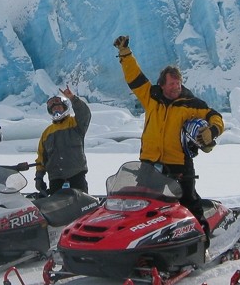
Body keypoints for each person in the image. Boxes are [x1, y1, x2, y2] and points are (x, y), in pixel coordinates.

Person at [113, 35, 222, 235]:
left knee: (188, 203)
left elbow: (214, 116)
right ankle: (141, 240)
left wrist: (212, 131)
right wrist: (125, 53)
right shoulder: (151, 97)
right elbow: (134, 76)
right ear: (162, 85)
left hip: (178, 164)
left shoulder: (190, 103)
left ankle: (202, 239)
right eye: (172, 84)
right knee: (142, 205)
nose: (176, 87)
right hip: (149, 163)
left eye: (178, 83)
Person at [34, 86, 91, 194]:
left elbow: (85, 113)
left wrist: (72, 98)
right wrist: (39, 178)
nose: (56, 110)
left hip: (76, 176)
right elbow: (41, 158)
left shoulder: (75, 124)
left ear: (65, 108)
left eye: (59, 107)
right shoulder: (47, 133)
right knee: (56, 209)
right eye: (53, 108)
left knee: (82, 209)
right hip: (56, 179)